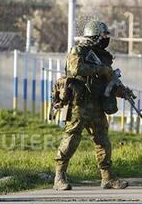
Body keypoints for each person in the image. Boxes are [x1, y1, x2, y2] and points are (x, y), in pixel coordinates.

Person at [54, 20, 131, 190]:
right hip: (78, 104)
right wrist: (100, 69)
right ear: (94, 37)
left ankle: (108, 178)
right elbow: (76, 69)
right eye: (103, 37)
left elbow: (108, 80)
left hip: (96, 103)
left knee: (102, 140)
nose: (105, 40)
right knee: (72, 139)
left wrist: (122, 91)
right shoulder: (78, 51)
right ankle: (59, 177)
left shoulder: (103, 56)